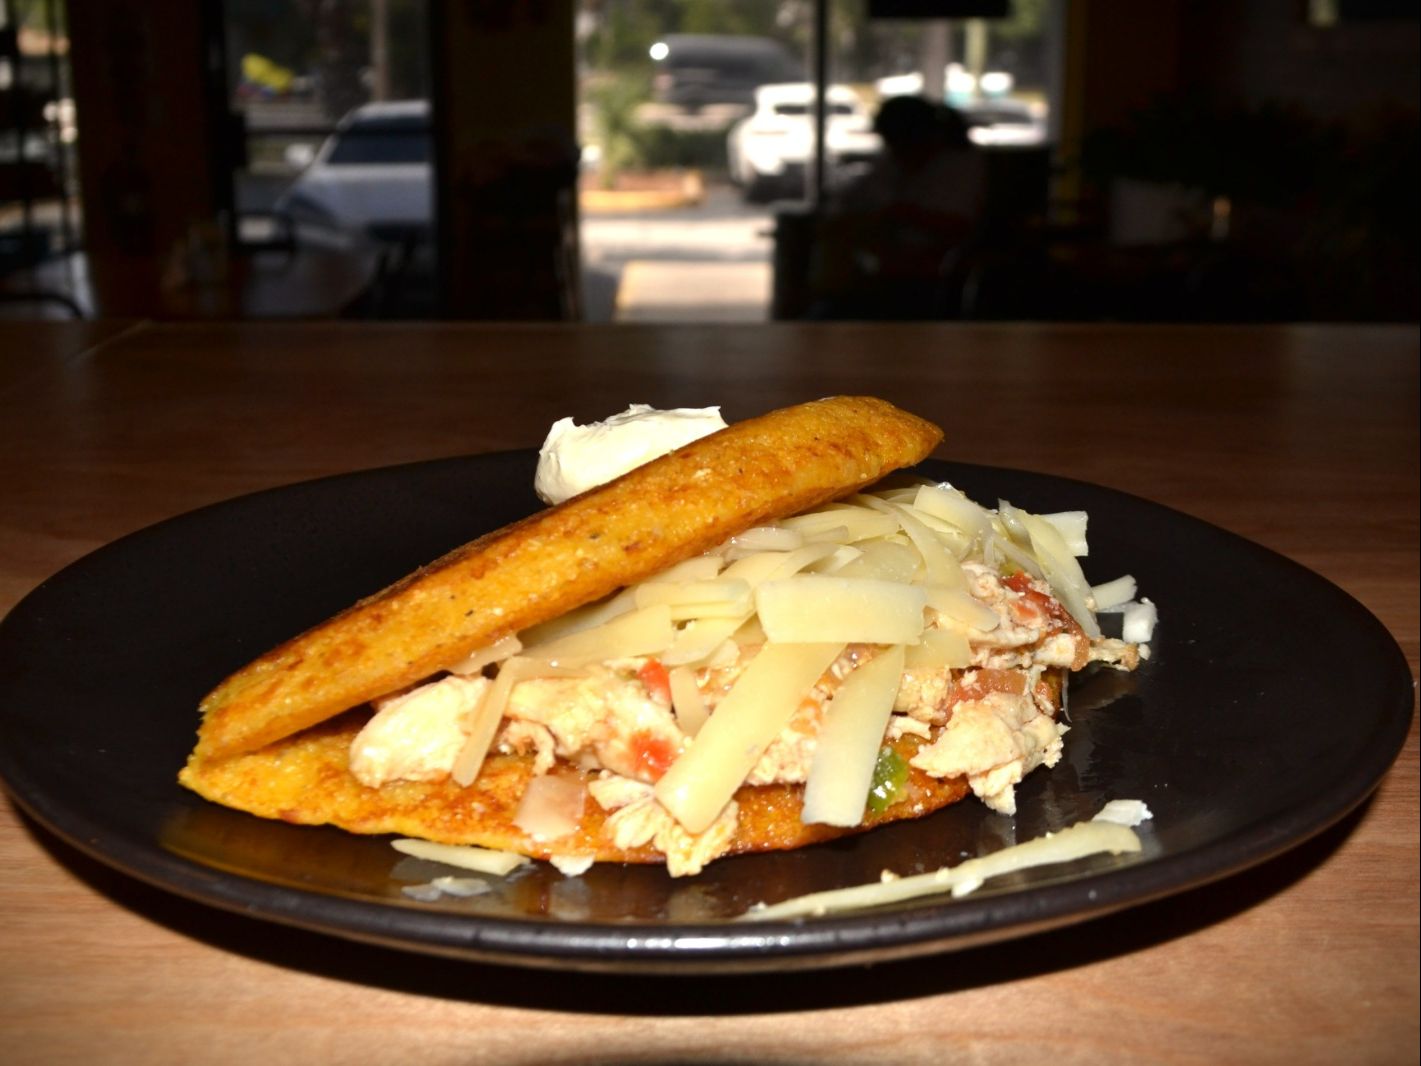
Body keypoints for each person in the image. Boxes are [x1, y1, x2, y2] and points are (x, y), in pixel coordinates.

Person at [811, 96, 987, 319]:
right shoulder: (894, 161)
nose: (892, 147)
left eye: (895, 139)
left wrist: (897, 213)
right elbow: (856, 199)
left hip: (937, 264)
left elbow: (958, 226)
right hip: (891, 258)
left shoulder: (959, 165)